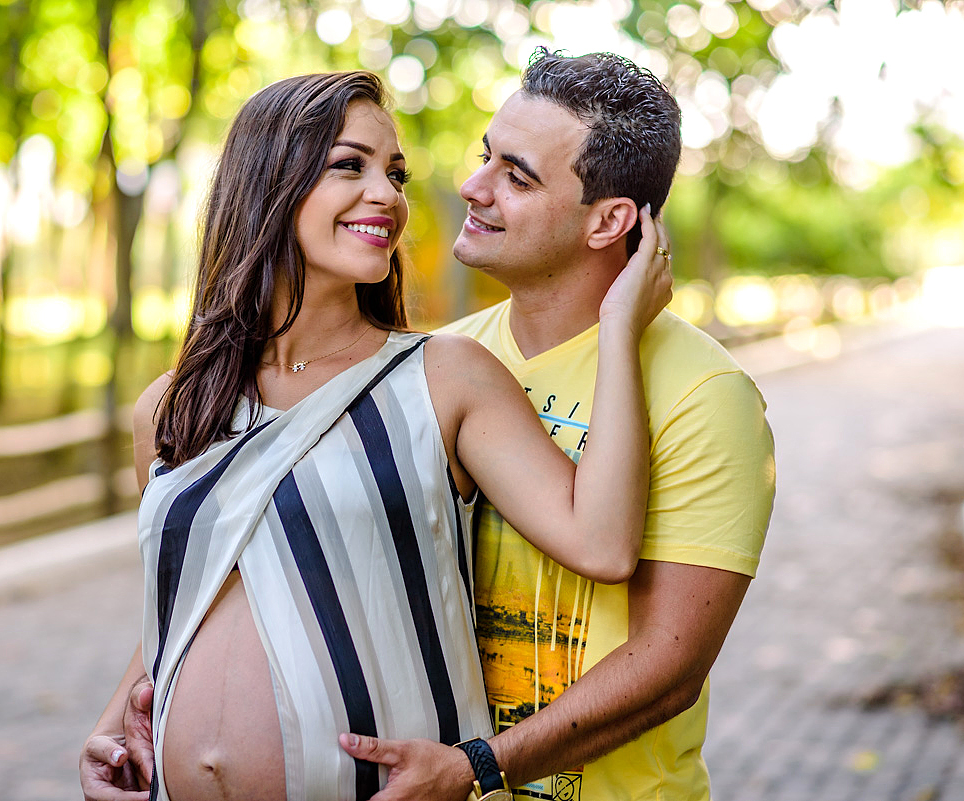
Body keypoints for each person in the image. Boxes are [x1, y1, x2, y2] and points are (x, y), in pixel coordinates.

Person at [80, 69, 673, 801]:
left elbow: (603, 541)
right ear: (268, 181)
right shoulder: (171, 410)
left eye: (395, 173)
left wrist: (620, 325)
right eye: (350, 166)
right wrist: (111, 728)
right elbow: (186, 599)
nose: (388, 195)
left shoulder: (444, 377)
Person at [336, 49, 776, 801]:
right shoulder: (446, 361)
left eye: (517, 175)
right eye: (485, 159)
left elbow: (667, 666)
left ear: (608, 221)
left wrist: (479, 764)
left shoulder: (706, 392)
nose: (473, 188)